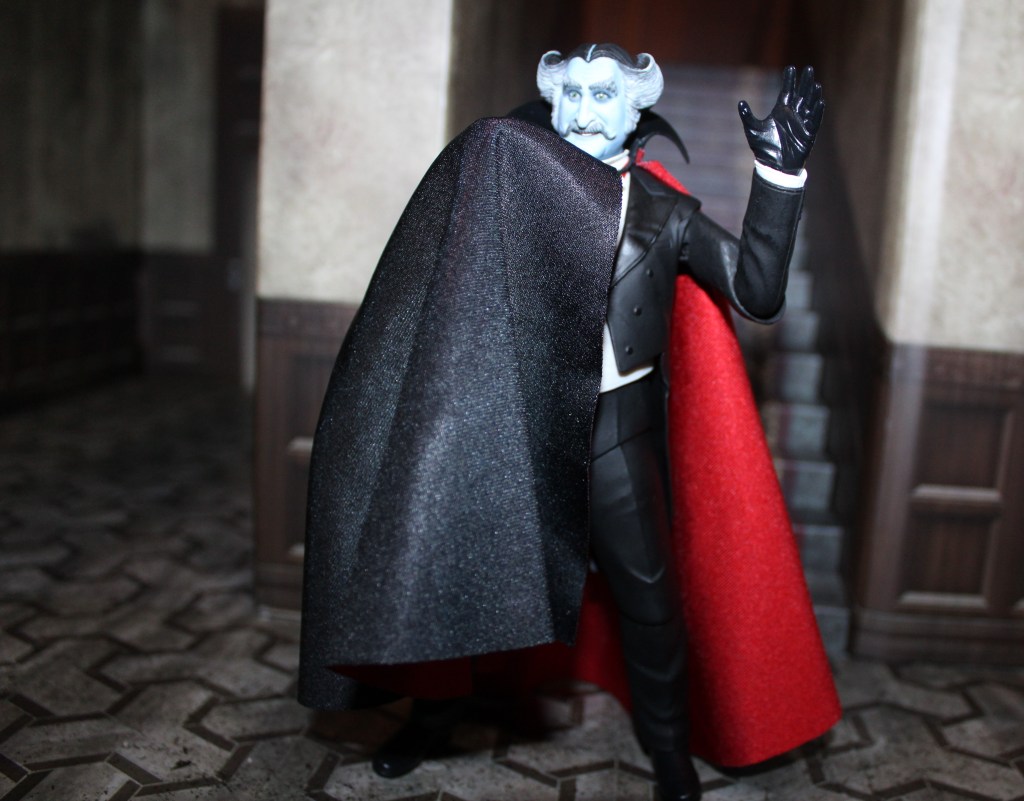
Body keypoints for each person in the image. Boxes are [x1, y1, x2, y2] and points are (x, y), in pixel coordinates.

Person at [298, 43, 837, 801]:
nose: (585, 112)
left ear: (636, 110)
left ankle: (669, 750)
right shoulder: (507, 190)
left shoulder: (664, 211)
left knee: (649, 602)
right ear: (552, 104)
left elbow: (756, 291)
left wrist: (779, 176)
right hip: (508, 428)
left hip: (618, 436)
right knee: (458, 571)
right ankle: (434, 714)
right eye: (571, 94)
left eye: (604, 94)